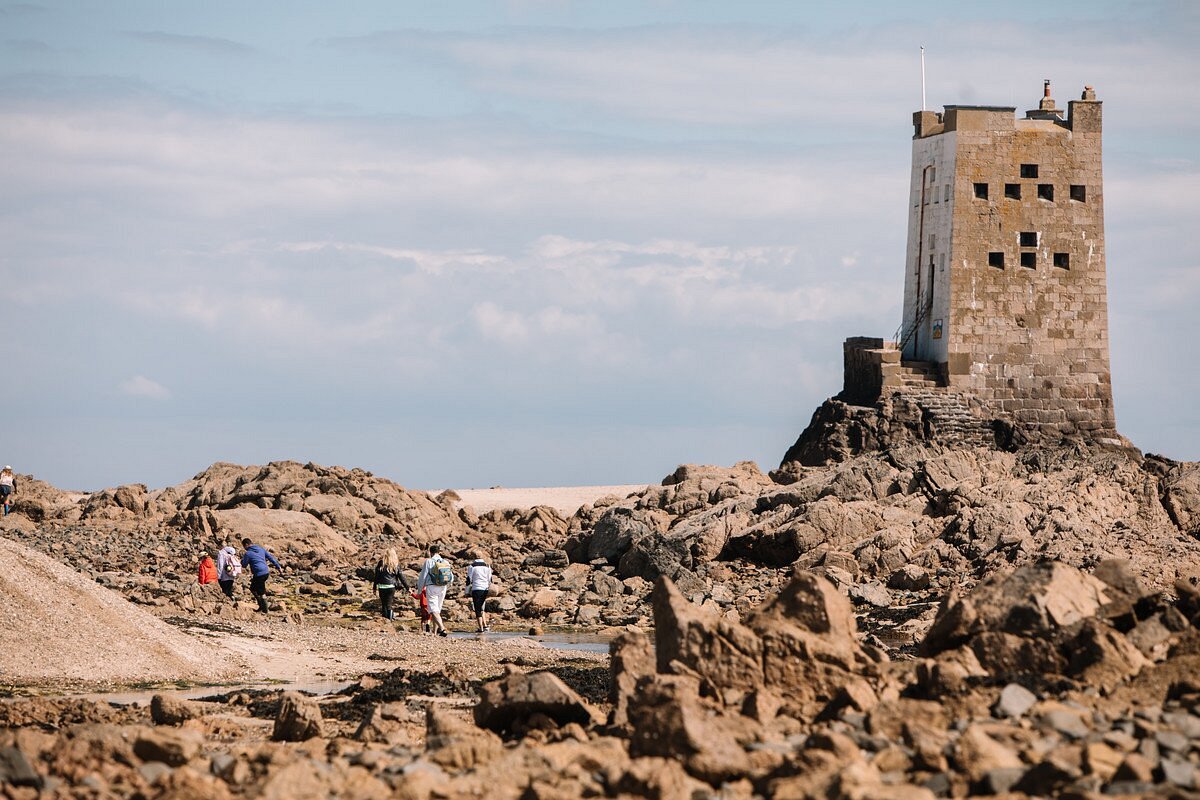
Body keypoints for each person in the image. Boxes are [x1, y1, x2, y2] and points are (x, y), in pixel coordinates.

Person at [417, 544, 453, 637]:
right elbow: (451, 577)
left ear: (430, 552)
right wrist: (448, 585)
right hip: (443, 587)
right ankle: (435, 632)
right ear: (439, 552)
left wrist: (420, 590)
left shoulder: (429, 561)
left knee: (433, 609)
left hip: (431, 586)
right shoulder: (445, 561)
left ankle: (442, 629)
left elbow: (423, 576)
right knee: (437, 609)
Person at [240, 537, 282, 614]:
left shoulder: (248, 553)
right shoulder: (261, 549)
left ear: (246, 545)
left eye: (244, 547)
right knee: (253, 588)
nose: (245, 549)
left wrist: (242, 560)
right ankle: (261, 606)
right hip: (265, 572)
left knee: (260, 591)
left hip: (259, 573)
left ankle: (264, 609)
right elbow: (270, 558)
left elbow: (244, 565)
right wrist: (278, 566)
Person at [373, 547, 410, 621]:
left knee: (384, 605)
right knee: (389, 605)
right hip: (391, 587)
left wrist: (374, 588)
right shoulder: (395, 565)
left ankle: (384, 621)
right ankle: (389, 620)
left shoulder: (381, 563)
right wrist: (408, 588)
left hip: (382, 587)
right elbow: (402, 577)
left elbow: (376, 577)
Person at [466, 552, 493, 633]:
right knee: (482, 607)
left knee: (477, 608)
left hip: (476, 588)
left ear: (474, 557)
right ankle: (484, 625)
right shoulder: (487, 566)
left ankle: (480, 628)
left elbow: (469, 580)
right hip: (485, 588)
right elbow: (490, 579)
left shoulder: (472, 566)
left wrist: (466, 591)